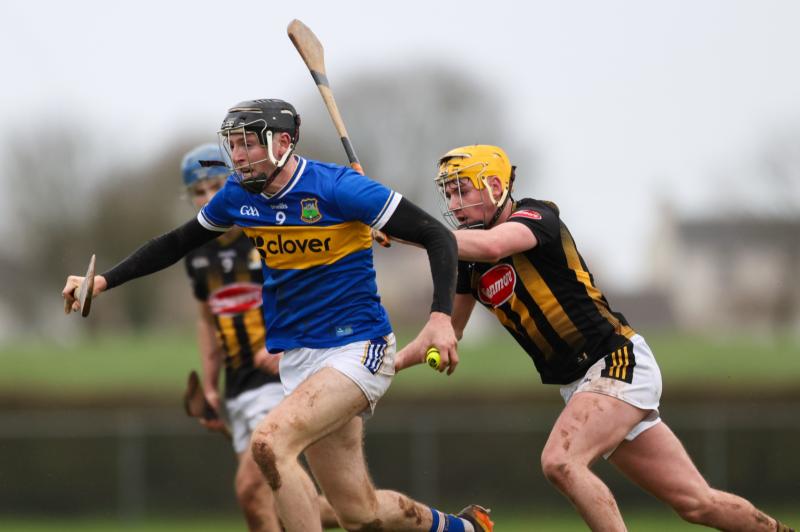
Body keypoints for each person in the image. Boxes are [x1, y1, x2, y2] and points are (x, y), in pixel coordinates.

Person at [63, 99, 493, 532]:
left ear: (284, 142)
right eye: (233, 144)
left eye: (249, 143)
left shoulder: (339, 188)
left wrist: (440, 318)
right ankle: (466, 529)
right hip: (300, 359)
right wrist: (103, 282)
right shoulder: (236, 197)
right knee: (358, 514)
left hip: (358, 347)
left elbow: (437, 236)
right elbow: (177, 243)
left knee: (269, 444)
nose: (239, 155)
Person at [396, 144, 795, 532]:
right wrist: (386, 363)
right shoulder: (468, 259)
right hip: (585, 385)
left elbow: (493, 244)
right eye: (449, 193)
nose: (454, 203)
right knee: (696, 503)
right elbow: (448, 330)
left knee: (560, 461)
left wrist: (403, 228)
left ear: (496, 188)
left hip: (616, 362)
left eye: (462, 190)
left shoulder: (537, 217)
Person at [179, 143, 338, 531]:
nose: (207, 197)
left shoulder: (263, 234)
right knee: (270, 500)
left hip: (278, 377)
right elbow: (207, 321)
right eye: (197, 192)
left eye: (215, 186)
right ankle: (393, 519)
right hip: (237, 385)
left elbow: (311, 294)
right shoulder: (197, 255)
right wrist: (212, 387)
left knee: (251, 488)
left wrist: (290, 350)